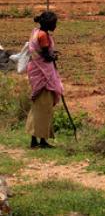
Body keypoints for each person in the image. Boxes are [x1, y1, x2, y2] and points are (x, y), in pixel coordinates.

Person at [25, 11, 64, 149]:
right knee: (44, 107)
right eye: (54, 23)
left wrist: (52, 55)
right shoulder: (43, 35)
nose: (55, 25)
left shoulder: (37, 32)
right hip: (43, 75)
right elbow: (47, 57)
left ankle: (37, 140)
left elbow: (42, 53)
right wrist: (54, 56)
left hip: (37, 71)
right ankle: (39, 141)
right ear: (49, 23)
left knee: (39, 107)